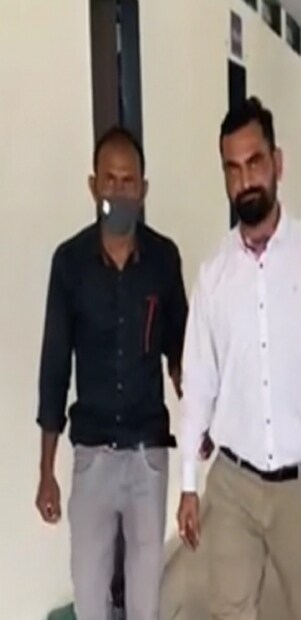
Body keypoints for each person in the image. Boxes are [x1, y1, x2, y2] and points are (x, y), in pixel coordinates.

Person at [177, 97, 301, 620]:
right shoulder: (214, 273)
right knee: (229, 611)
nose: (245, 181)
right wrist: (188, 483)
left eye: (254, 162)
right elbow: (199, 379)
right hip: (233, 483)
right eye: (232, 169)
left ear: (277, 163)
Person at [35, 126, 188, 620]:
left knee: (146, 601)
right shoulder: (69, 264)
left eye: (129, 182)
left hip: (147, 457)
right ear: (93, 185)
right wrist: (46, 472)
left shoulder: (163, 260)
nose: (118, 191)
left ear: (143, 190)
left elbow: (181, 351)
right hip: (93, 456)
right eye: (109, 180)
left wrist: (201, 424)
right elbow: (54, 367)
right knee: (90, 595)